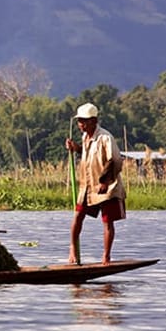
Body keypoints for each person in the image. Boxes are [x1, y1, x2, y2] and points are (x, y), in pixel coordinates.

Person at [65, 102, 126, 264]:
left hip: (107, 187)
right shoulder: (86, 137)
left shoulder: (105, 137)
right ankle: (73, 249)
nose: (81, 124)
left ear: (94, 120)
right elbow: (87, 154)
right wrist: (76, 148)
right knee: (78, 215)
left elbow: (115, 160)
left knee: (107, 222)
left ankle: (106, 257)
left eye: (84, 121)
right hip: (87, 186)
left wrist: (105, 181)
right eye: (79, 121)